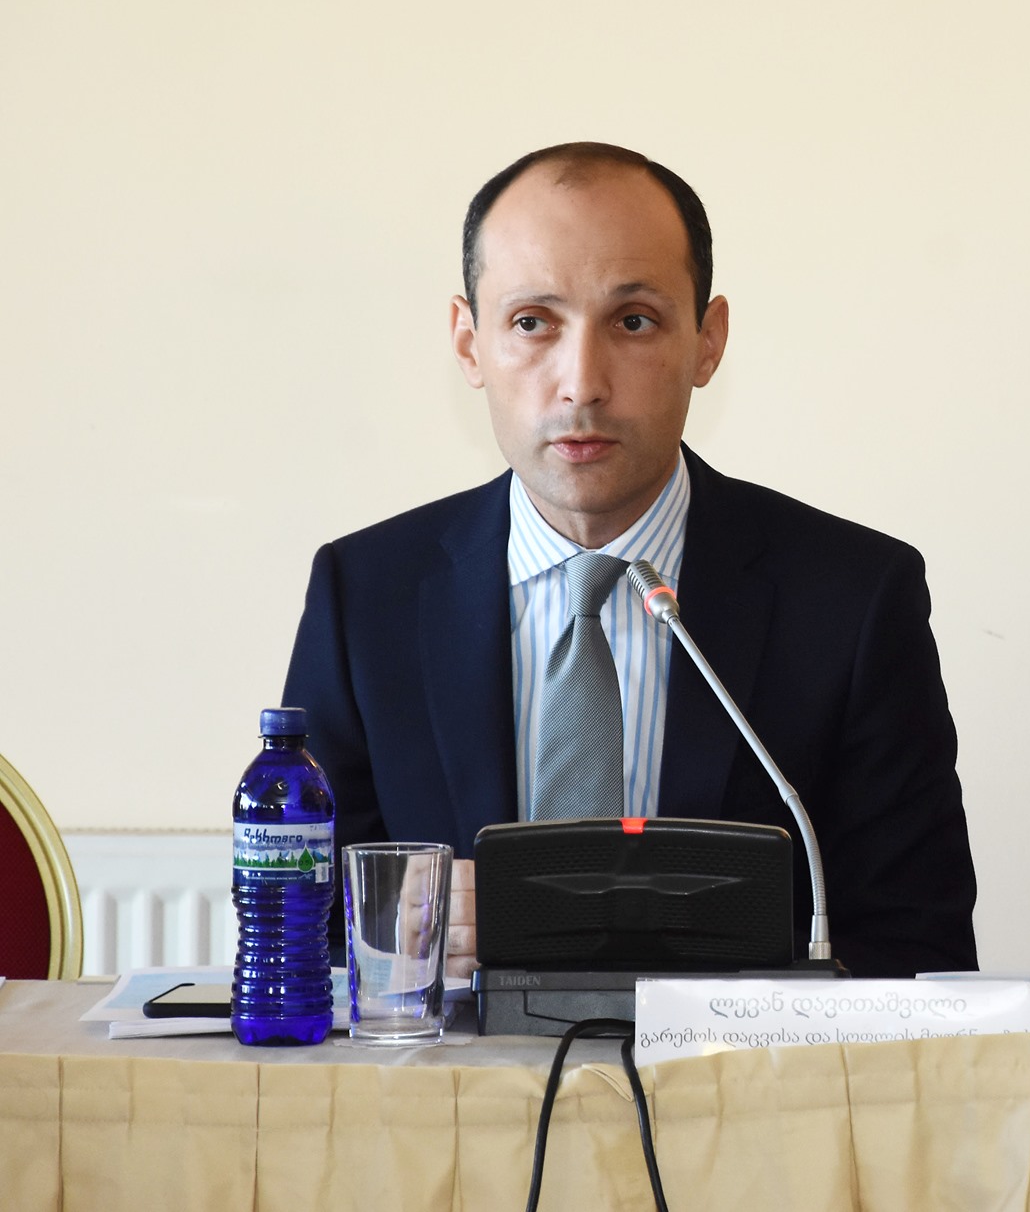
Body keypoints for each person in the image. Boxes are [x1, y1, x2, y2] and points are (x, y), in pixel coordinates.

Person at [283, 142, 977, 979]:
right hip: (462, 1066)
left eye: (634, 322)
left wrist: (587, 920)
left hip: (735, 1066)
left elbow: (919, 949)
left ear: (707, 342)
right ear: (469, 344)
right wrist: (405, 930)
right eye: (532, 323)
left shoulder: (851, 599)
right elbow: (298, 935)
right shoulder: (367, 596)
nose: (582, 383)